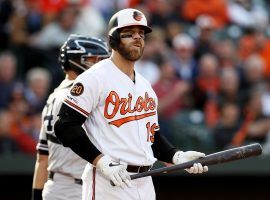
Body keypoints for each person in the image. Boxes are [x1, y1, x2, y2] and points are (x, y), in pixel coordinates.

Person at [54, 8, 208, 200]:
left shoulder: (145, 85)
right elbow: (64, 126)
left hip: (145, 180)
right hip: (109, 180)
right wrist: (99, 161)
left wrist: (176, 156)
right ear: (113, 40)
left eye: (141, 34)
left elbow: (151, 136)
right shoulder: (94, 78)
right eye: (129, 34)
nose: (137, 38)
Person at [31, 34, 110, 200]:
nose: (101, 65)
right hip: (74, 188)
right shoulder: (78, 96)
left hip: (59, 187)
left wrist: (37, 195)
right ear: (75, 60)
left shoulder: (54, 96)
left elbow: (42, 158)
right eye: (94, 59)